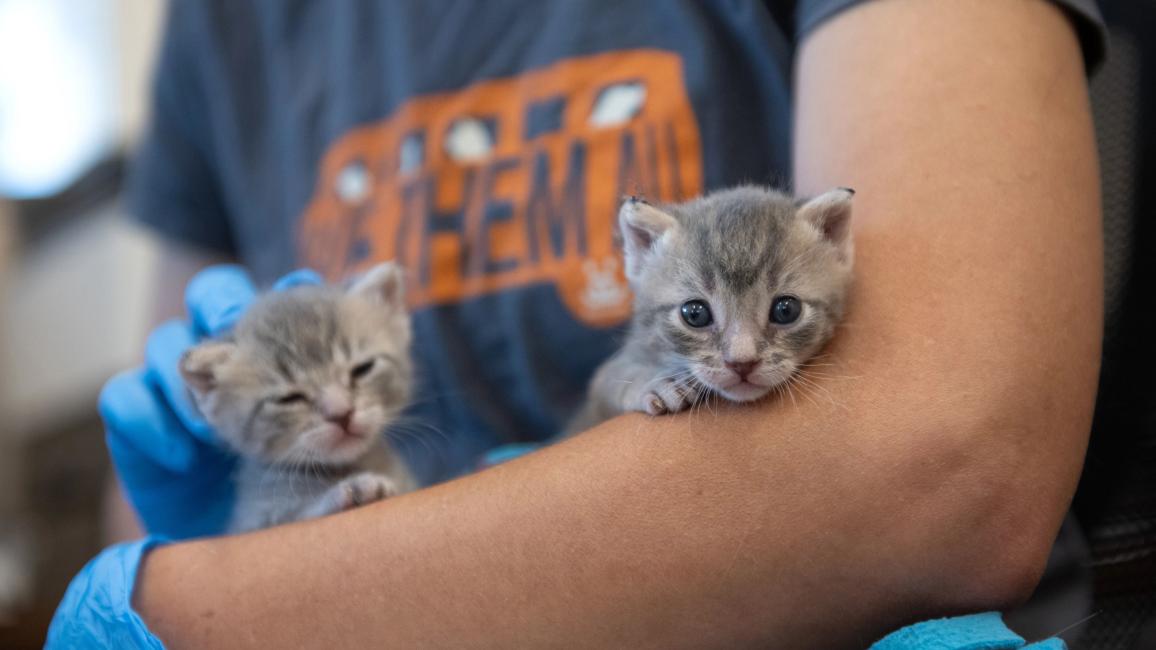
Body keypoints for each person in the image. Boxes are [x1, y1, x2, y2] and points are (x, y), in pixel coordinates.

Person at [49, 0, 1107, 647]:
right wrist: (214, 521)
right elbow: (150, 515)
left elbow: (943, 457)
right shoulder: (222, 23)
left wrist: (216, 609)